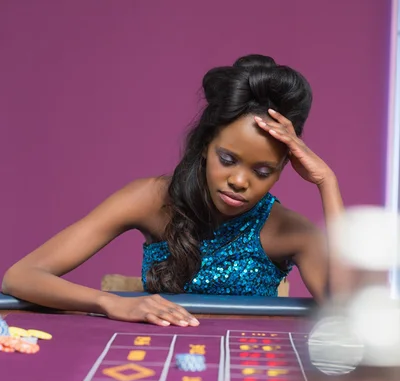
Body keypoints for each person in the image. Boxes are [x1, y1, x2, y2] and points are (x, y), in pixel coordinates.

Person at [2, 54, 343, 327]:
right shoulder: (149, 198)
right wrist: (110, 302)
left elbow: (347, 312)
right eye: (227, 159)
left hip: (246, 372)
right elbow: (20, 277)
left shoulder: (292, 231)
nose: (239, 181)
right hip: (156, 363)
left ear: (283, 170)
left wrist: (327, 181)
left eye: (262, 171)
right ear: (206, 146)